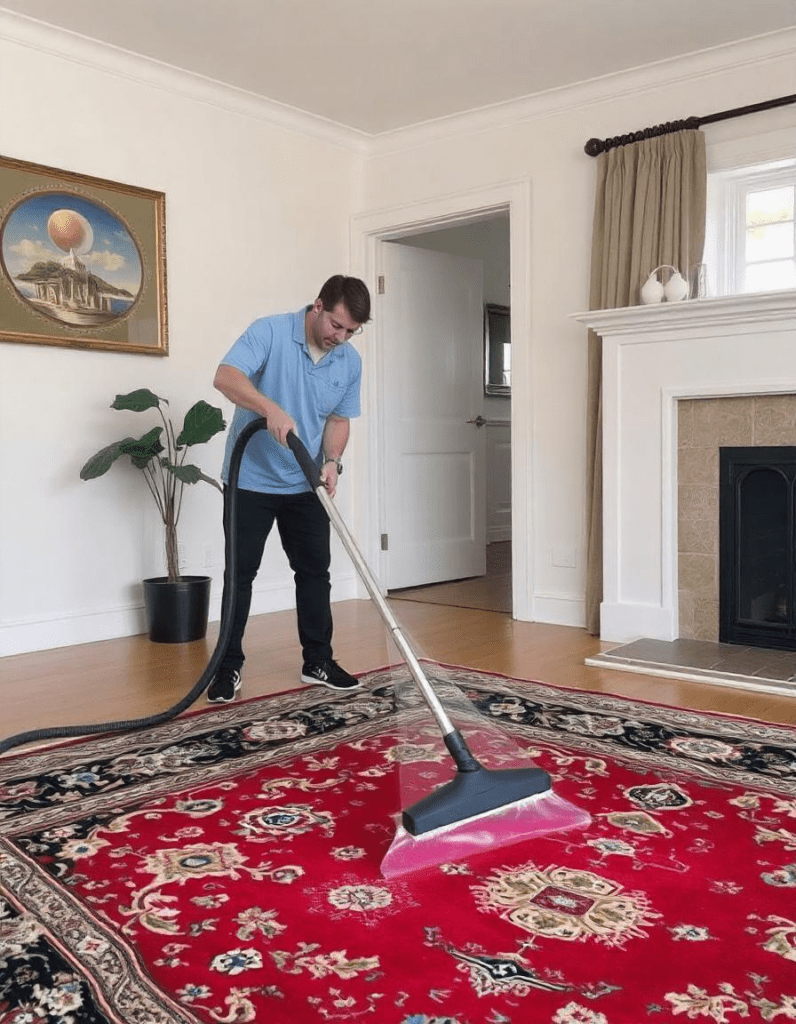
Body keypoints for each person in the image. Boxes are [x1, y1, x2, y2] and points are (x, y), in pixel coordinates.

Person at [207, 275, 371, 704]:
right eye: (336, 325)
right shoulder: (271, 331)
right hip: (251, 478)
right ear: (317, 306)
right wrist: (269, 407)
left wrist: (332, 462)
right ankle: (227, 666)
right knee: (240, 575)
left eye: (351, 331)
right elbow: (225, 377)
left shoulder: (349, 361)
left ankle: (318, 659)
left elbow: (338, 419)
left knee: (315, 573)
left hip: (306, 481)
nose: (341, 337)